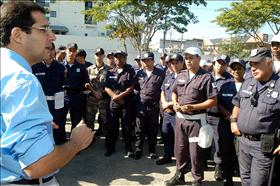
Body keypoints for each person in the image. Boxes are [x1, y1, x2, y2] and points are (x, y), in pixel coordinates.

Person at [0, 1, 93, 185]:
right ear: (18, 35)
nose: (52, 37)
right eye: (43, 29)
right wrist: (76, 142)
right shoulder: (21, 80)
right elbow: (37, 165)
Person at [165, 47, 217, 186]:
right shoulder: (181, 74)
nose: (188, 60)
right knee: (180, 149)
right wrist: (175, 102)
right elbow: (174, 91)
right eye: (186, 58)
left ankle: (197, 179)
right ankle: (179, 175)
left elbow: (213, 100)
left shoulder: (206, 77)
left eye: (191, 57)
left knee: (195, 153)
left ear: (199, 59)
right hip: (180, 119)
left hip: (196, 122)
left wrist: (194, 107)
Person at [231, 47, 280, 186]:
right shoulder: (248, 82)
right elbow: (237, 103)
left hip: (262, 148)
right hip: (243, 142)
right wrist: (233, 121)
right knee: (245, 181)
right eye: (251, 64)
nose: (253, 68)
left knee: (258, 183)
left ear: (269, 62)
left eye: (257, 63)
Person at [206, 55, 236, 185]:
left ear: (226, 65)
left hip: (221, 119)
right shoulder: (207, 76)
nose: (220, 65)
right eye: (218, 62)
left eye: (223, 64)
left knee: (220, 145)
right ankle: (202, 163)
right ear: (214, 63)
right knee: (204, 142)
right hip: (206, 115)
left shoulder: (230, 80)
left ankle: (219, 166)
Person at [32, 42, 67, 145]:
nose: (50, 52)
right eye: (47, 49)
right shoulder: (35, 67)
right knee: (41, 126)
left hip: (57, 103)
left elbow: (63, 85)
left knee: (58, 126)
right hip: (41, 104)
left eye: (52, 49)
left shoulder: (60, 67)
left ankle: (60, 147)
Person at [133, 52, 165, 160]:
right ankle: (138, 149)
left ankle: (152, 149)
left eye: (147, 60)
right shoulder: (139, 74)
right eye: (143, 60)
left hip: (154, 107)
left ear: (153, 60)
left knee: (153, 129)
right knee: (139, 129)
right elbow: (135, 88)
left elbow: (163, 90)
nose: (145, 62)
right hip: (140, 106)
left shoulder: (161, 73)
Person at [104, 51, 136, 157]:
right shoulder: (110, 71)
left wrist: (121, 96)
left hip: (126, 103)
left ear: (125, 58)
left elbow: (131, 87)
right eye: (116, 57)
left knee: (127, 127)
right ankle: (111, 147)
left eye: (121, 57)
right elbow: (107, 87)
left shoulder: (130, 70)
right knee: (112, 126)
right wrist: (115, 97)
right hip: (113, 103)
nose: (118, 59)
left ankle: (128, 148)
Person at [156, 54, 184, 165]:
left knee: (179, 139)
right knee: (166, 135)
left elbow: (184, 97)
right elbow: (162, 91)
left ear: (182, 63)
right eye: (172, 63)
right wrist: (164, 103)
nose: (174, 65)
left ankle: (180, 160)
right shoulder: (169, 76)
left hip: (178, 114)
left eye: (177, 62)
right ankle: (167, 156)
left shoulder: (185, 77)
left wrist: (168, 104)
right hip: (167, 113)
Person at [63, 42, 94, 130]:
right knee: (61, 120)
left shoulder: (81, 67)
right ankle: (61, 141)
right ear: (66, 51)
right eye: (70, 50)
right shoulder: (60, 66)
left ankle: (75, 142)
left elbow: (86, 82)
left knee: (76, 121)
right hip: (63, 96)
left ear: (76, 52)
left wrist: (90, 88)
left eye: (74, 51)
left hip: (77, 97)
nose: (71, 53)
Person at [86, 47, 109, 136]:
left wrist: (102, 93)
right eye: (97, 54)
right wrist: (94, 92)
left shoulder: (108, 69)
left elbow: (109, 84)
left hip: (103, 99)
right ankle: (89, 138)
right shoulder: (89, 69)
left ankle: (107, 140)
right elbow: (86, 83)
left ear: (103, 56)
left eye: (101, 54)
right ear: (94, 56)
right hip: (92, 99)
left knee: (105, 120)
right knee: (89, 120)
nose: (99, 56)